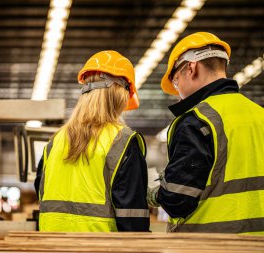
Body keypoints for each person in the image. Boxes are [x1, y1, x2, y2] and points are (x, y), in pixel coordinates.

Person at [148, 32, 264, 234]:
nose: (178, 91)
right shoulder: (259, 114)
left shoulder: (198, 120)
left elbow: (177, 199)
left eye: (176, 82)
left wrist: (151, 194)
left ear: (191, 68)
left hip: (211, 243)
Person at [34, 50, 150, 232]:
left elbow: (41, 191)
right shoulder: (122, 141)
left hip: (51, 246)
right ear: (120, 95)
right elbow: (133, 219)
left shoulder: (55, 141)